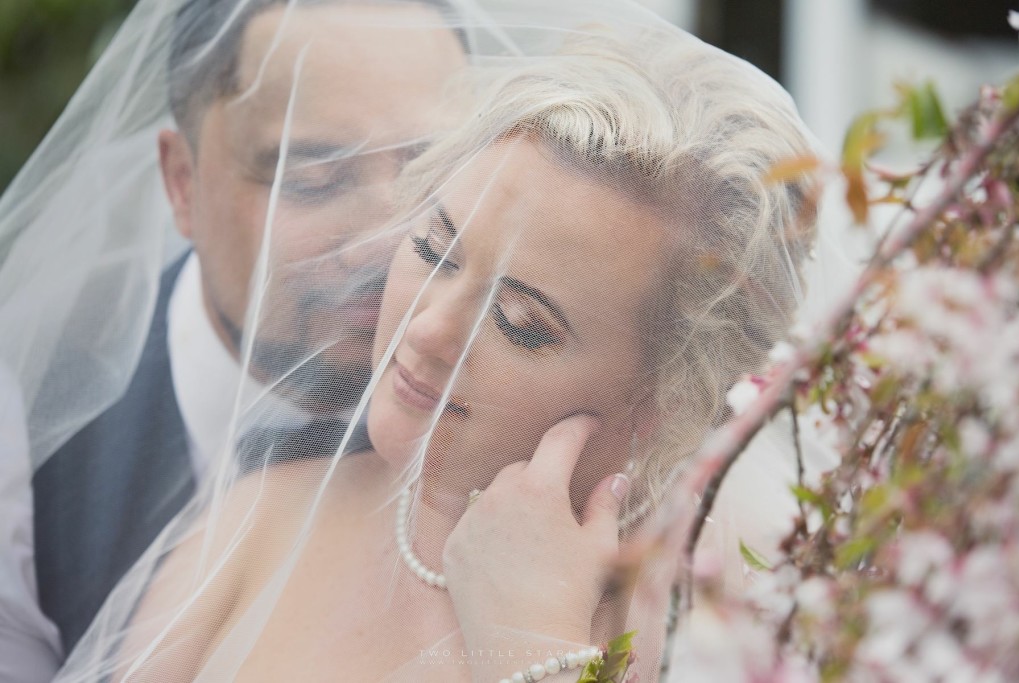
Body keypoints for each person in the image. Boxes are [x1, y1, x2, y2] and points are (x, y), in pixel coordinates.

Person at [53, 4, 821, 681]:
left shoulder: (726, 623)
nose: (426, 327)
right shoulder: (253, 520)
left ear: (664, 398)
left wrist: (535, 646)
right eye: (433, 251)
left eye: (522, 323)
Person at [0, 0, 465, 677]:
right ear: (182, 183)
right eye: (315, 178)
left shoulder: (525, 411)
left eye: (433, 171)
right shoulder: (25, 435)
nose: (390, 243)